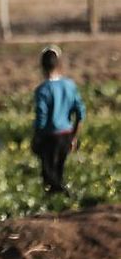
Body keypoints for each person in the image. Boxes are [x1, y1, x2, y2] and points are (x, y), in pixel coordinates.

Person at [33, 46, 86, 194]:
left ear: (42, 67)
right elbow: (80, 112)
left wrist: (37, 137)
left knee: (48, 174)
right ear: (59, 64)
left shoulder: (43, 90)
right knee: (59, 170)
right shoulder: (69, 85)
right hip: (66, 134)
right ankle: (62, 202)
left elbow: (41, 119)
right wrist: (74, 135)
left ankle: (61, 196)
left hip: (50, 137)